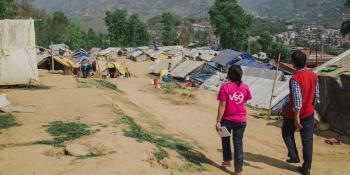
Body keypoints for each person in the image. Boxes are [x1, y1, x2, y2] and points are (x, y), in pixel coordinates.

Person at [282, 51, 320, 175]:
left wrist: (297, 117)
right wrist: (312, 109)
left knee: (287, 133)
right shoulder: (314, 75)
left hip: (294, 114)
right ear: (305, 62)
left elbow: (297, 100)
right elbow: (317, 95)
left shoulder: (295, 78)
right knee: (307, 140)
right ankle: (306, 168)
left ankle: (294, 156)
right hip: (309, 112)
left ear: (293, 64)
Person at [216, 65, 252, 175]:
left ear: (229, 75)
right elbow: (244, 100)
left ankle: (227, 161)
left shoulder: (225, 87)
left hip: (226, 119)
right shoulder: (245, 87)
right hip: (241, 120)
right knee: (238, 144)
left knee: (225, 140)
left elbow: (222, 104)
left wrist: (218, 121)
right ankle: (238, 171)